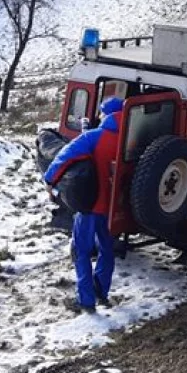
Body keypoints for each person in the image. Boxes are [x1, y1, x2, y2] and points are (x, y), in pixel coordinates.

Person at [44, 97, 123, 313]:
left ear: (104, 115)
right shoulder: (129, 139)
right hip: (114, 207)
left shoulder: (94, 137)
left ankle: (86, 300)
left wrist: (50, 181)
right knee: (107, 249)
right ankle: (101, 291)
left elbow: (65, 156)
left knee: (81, 251)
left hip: (90, 204)